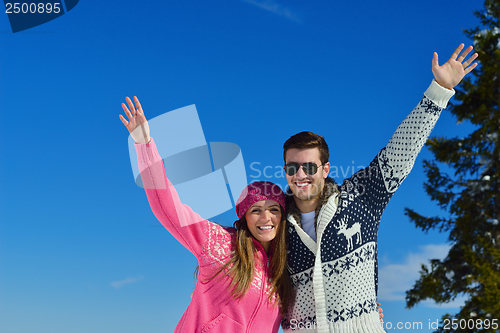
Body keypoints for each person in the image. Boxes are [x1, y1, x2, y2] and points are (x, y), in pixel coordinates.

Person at [279, 44, 478, 333]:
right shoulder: (276, 223)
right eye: (291, 167)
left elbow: (400, 152)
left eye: (309, 167)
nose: (300, 175)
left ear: (325, 169)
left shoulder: (360, 198)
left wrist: (439, 90)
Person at [119, 99, 294, 333]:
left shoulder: (282, 272)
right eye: (256, 210)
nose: (266, 218)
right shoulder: (218, 243)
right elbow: (168, 207)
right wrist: (145, 145)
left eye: (274, 210)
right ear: (244, 217)